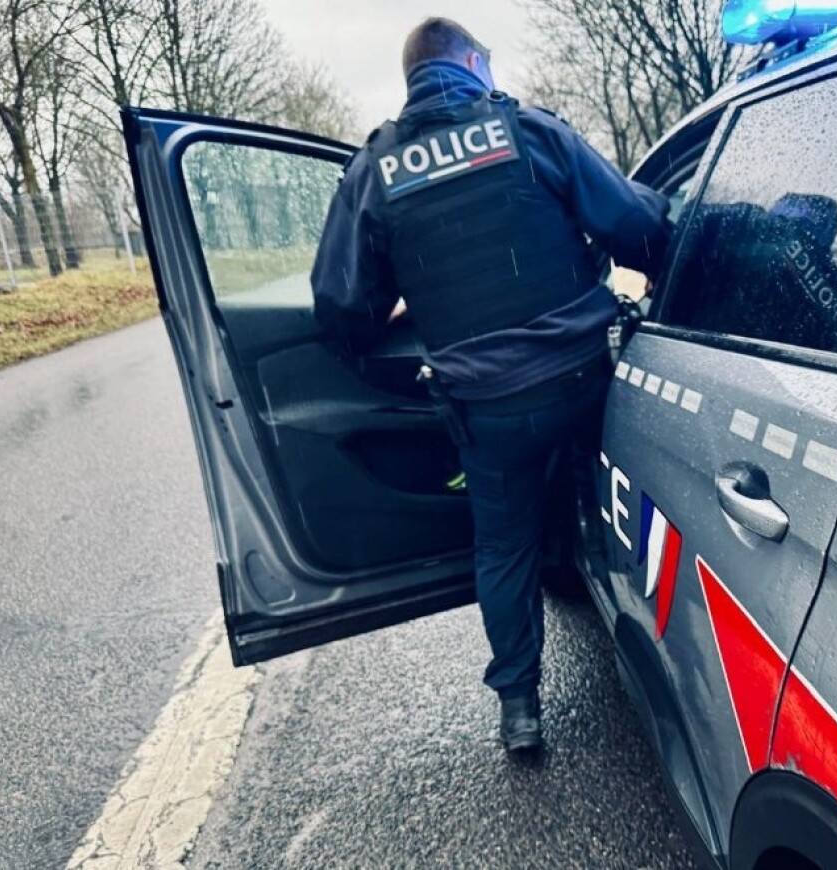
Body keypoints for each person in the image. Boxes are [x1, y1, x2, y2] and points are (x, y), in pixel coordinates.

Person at [310, 17, 671, 753]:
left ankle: (520, 708)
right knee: (617, 486)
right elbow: (637, 224)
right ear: (473, 63)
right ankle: (648, 644)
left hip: (490, 408)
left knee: (503, 545)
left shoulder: (375, 170)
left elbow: (341, 308)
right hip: (583, 378)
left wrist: (397, 312)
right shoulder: (531, 132)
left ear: (413, 78)